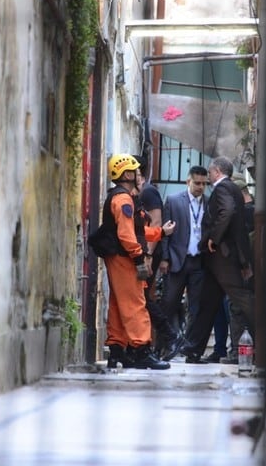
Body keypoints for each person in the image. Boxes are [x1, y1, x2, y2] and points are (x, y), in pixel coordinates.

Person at [101, 153, 176, 370]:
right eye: (136, 172)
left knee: (118, 304)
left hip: (119, 256)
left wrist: (160, 232)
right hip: (125, 259)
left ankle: (117, 351)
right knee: (136, 304)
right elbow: (127, 235)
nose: (140, 176)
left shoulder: (121, 197)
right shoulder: (123, 200)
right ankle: (142, 350)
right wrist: (138, 257)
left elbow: (136, 230)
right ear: (126, 174)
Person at [179, 157, 255, 364]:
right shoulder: (231, 189)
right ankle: (193, 349)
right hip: (217, 259)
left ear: (218, 171)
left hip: (224, 257)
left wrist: (214, 237)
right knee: (207, 303)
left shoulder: (223, 189)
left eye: (211, 173)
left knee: (242, 298)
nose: (208, 176)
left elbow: (227, 211)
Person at [133, 155, 184, 361]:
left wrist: (148, 255)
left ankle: (169, 337)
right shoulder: (138, 193)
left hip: (148, 253)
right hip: (143, 252)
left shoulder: (149, 192)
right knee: (140, 299)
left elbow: (156, 222)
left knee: (142, 299)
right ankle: (158, 341)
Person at [158, 165, 209, 360]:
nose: (201, 187)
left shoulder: (209, 202)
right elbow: (165, 232)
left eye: (204, 184)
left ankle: (190, 350)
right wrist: (163, 258)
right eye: (197, 183)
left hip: (199, 263)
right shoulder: (173, 201)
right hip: (177, 261)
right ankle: (161, 347)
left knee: (195, 308)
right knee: (168, 304)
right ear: (188, 181)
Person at [214, 175, 256, 364]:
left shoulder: (243, 214)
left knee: (237, 309)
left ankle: (238, 353)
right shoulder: (255, 212)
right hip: (253, 271)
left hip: (243, 270)